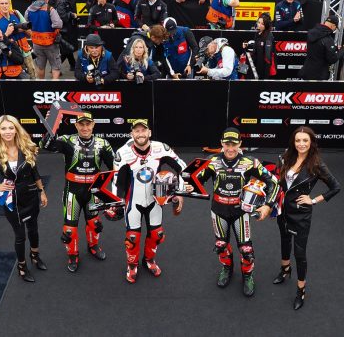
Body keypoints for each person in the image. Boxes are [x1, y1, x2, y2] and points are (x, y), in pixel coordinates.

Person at [195, 127, 278, 297]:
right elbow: (195, 180)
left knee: (246, 249)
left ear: (240, 143)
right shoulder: (211, 161)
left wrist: (268, 205)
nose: (230, 148)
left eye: (234, 144)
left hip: (241, 212)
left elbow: (274, 182)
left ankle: (247, 276)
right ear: (222, 143)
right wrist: (189, 185)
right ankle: (227, 268)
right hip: (218, 210)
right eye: (227, 144)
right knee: (221, 245)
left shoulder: (250, 162)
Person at [113, 118, 191, 284]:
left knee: (157, 235)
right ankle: (132, 265)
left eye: (143, 130)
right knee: (132, 237)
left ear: (149, 132)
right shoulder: (122, 153)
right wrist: (116, 202)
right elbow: (116, 181)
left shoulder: (161, 148)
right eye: (136, 131)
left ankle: (149, 260)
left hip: (155, 200)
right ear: (131, 134)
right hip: (132, 201)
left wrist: (180, 191)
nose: (140, 134)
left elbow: (183, 168)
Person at [274, 127, 340, 310]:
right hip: (282, 210)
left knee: (300, 253)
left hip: (301, 215)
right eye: (298, 140)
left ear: (311, 143)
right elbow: (278, 181)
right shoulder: (285, 157)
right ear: (293, 142)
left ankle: (300, 290)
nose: (301, 144)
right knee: (284, 240)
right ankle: (285, 270)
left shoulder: (316, 164)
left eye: (305, 140)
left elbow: (336, 187)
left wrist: (313, 200)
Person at [40, 112, 114, 272]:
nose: (85, 127)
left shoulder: (103, 143)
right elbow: (44, 145)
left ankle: (93, 246)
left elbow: (114, 168)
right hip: (72, 192)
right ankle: (73, 254)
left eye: (88, 124)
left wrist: (115, 195)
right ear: (76, 125)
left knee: (94, 223)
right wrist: (51, 126)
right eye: (81, 124)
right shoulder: (67, 140)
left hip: (93, 192)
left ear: (93, 124)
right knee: (69, 229)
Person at [0, 115, 47, 283]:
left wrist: (42, 191)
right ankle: (21, 266)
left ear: (16, 129)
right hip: (11, 199)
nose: (7, 131)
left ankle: (35, 256)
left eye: (11, 128)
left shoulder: (26, 146)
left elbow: (34, 171)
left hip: (30, 195)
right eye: (3, 128)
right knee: (20, 235)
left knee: (33, 229)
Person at [0, 0, 36, 79]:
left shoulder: (16, 13)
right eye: (2, 3)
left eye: (6, 3)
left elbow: (28, 29)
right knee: (19, 79)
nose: (5, 6)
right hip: (11, 55)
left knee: (33, 77)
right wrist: (7, 33)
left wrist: (20, 29)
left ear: (9, 4)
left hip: (25, 52)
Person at [25, 0, 63, 79]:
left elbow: (25, 24)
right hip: (51, 43)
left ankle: (41, 85)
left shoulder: (29, 9)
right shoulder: (50, 9)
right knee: (55, 66)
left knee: (40, 66)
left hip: (36, 43)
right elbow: (58, 24)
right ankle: (54, 86)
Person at [300, 15, 341, 81]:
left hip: (307, 71)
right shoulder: (328, 39)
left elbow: (319, 48)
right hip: (319, 76)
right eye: (335, 28)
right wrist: (343, 50)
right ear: (333, 25)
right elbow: (332, 59)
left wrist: (335, 48)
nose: (334, 30)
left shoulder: (312, 32)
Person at [252, 13, 275, 79]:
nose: (259, 25)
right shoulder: (258, 33)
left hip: (264, 68)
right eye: (258, 22)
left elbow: (268, 57)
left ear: (266, 25)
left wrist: (265, 73)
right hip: (257, 65)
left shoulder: (269, 36)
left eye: (262, 24)